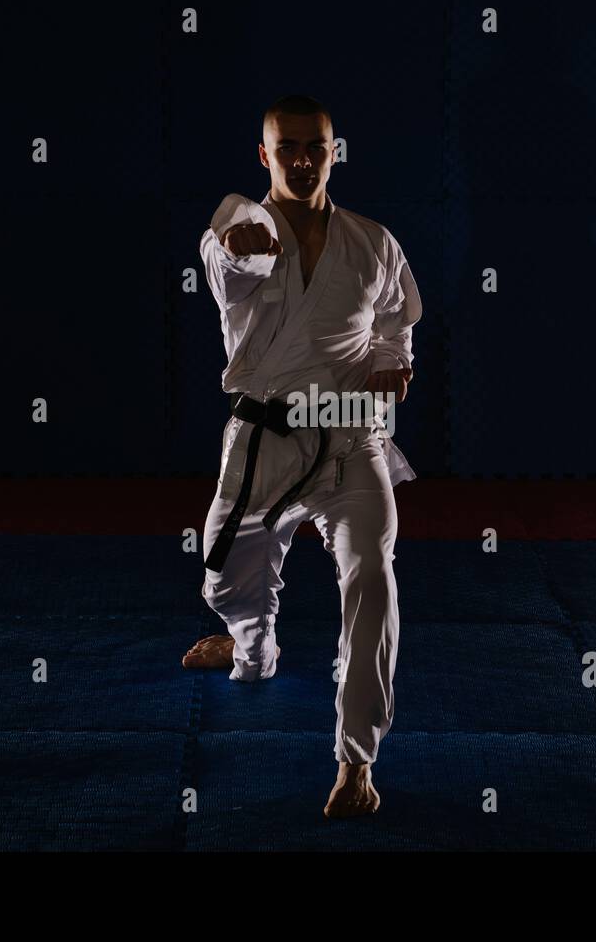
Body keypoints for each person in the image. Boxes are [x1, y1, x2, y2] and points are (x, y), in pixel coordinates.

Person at [182, 94, 422, 818]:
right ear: (265, 154)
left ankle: (357, 759)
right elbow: (225, 254)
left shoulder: (373, 242)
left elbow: (395, 322)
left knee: (372, 577)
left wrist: (391, 362)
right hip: (262, 441)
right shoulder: (240, 230)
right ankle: (251, 645)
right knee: (222, 580)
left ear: (333, 150)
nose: (302, 158)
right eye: (286, 146)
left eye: (315, 146)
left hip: (351, 436)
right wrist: (238, 245)